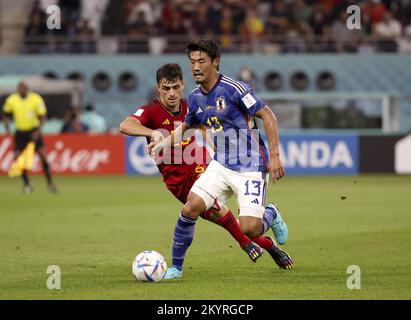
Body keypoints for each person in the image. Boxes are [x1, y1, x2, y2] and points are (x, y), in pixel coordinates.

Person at [120, 63, 292, 271]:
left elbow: (206, 129)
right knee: (221, 217)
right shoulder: (151, 111)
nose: (172, 93)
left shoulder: (194, 104)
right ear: (159, 89)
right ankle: (265, 243)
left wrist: (218, 154)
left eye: (176, 87)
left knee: (208, 209)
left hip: (199, 166)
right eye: (166, 89)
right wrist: (152, 133)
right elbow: (125, 125)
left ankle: (235, 247)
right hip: (175, 181)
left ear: (183, 85)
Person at [2, 81, 57, 193]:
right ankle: (27, 184)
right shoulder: (12, 100)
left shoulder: (36, 99)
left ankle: (50, 184)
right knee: (18, 157)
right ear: (18, 89)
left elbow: (42, 117)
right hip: (20, 132)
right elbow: (6, 115)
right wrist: (7, 127)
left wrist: (38, 130)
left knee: (43, 156)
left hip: (33, 130)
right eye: (20, 88)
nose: (22, 90)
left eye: (24, 88)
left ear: (27, 89)